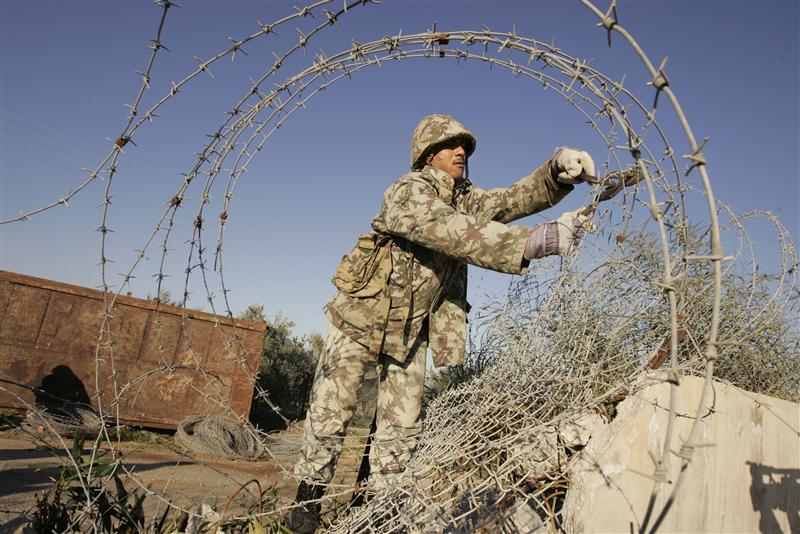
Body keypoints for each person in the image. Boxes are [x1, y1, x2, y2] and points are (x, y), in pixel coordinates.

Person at [287, 114, 594, 532]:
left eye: (465, 147)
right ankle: (304, 510)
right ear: (428, 154)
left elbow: (510, 201)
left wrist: (556, 173)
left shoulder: (464, 200)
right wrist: (528, 244)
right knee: (329, 416)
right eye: (451, 145)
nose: (461, 152)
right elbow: (447, 229)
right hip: (360, 319)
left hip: (410, 331)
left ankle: (379, 516)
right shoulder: (407, 192)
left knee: (401, 433)